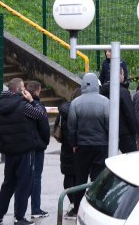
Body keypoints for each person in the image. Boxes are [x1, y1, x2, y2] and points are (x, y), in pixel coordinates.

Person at [0, 78, 47, 225]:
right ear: (20, 90)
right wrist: (32, 100)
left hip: (9, 151)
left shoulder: (1, 106)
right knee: (24, 184)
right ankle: (19, 217)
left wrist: (4, 136)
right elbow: (41, 115)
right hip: (25, 150)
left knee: (8, 183)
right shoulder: (23, 105)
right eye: (23, 87)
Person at [67, 73, 109, 217]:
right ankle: (97, 207)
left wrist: (74, 143)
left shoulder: (75, 103)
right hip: (101, 144)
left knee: (80, 178)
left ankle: (77, 207)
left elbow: (71, 127)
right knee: (98, 178)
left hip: (82, 146)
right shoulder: (105, 102)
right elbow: (109, 124)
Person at [26, 81, 50, 220]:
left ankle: (20, 210)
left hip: (24, 147)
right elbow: (45, 127)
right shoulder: (37, 107)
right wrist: (44, 142)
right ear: (37, 91)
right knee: (36, 178)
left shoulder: (22, 105)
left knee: (24, 178)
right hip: (36, 146)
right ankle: (35, 208)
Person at [56, 89, 80, 221]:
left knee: (68, 176)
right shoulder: (79, 111)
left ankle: (72, 203)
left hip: (66, 149)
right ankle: (76, 204)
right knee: (78, 177)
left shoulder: (63, 112)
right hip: (77, 148)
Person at [117, 68, 138, 153]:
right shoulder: (123, 92)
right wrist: (134, 131)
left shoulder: (104, 90)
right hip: (125, 133)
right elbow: (129, 113)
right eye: (122, 74)